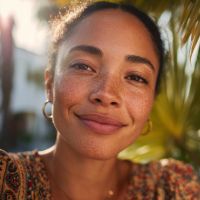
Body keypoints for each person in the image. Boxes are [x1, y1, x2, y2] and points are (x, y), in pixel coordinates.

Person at [0, 1, 199, 199]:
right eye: (84, 66)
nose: (106, 95)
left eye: (135, 77)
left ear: (151, 101)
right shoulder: (5, 179)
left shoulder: (172, 189)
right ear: (49, 84)